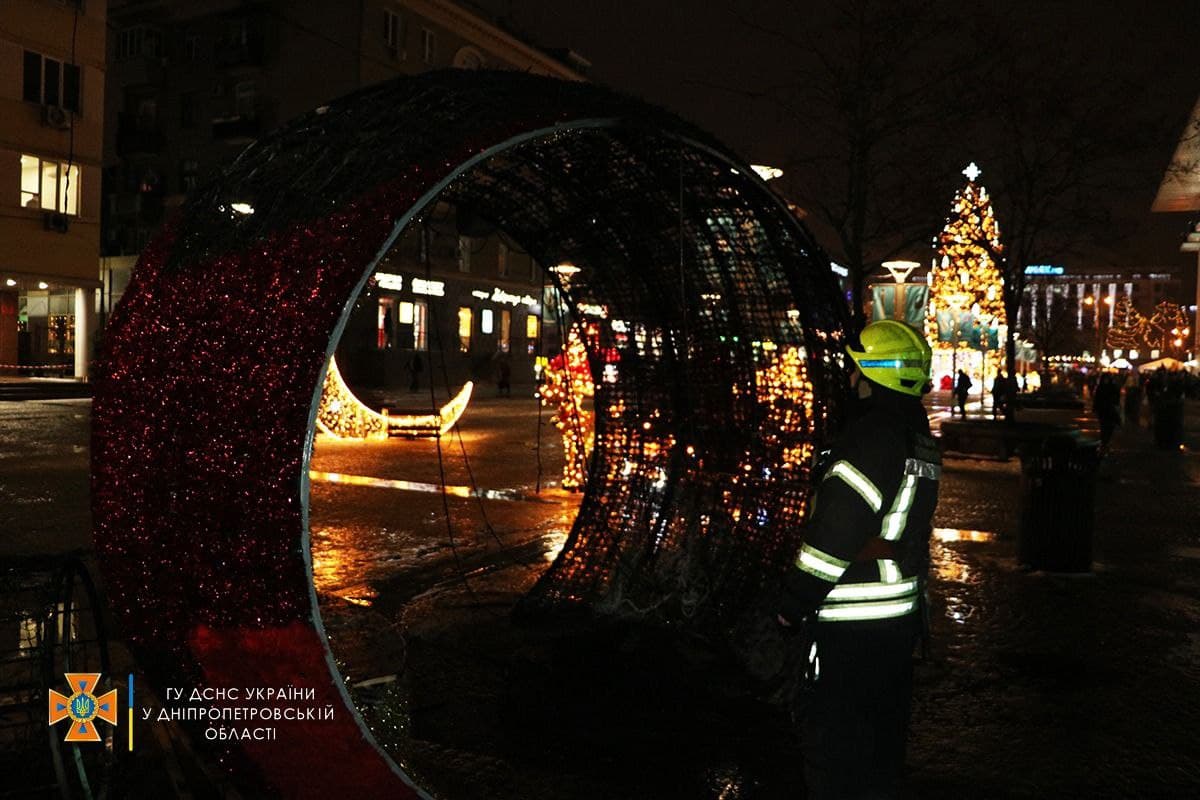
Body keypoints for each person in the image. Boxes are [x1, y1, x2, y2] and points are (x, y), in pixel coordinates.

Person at [777, 320, 941, 799]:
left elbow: (834, 535)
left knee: (836, 755)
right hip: (896, 621)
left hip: (851, 627)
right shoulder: (918, 437)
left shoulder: (871, 438)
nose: (849, 379)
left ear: (872, 375)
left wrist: (792, 603)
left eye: (854, 370)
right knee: (879, 752)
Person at [1093, 373, 1121, 454]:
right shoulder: (1101, 387)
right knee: (1104, 426)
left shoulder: (1112, 387)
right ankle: (1104, 442)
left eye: (1107, 379)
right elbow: (1097, 398)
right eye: (1105, 379)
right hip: (1103, 410)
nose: (1106, 380)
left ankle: (1106, 441)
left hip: (1110, 410)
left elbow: (1117, 398)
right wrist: (1095, 407)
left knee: (1109, 426)